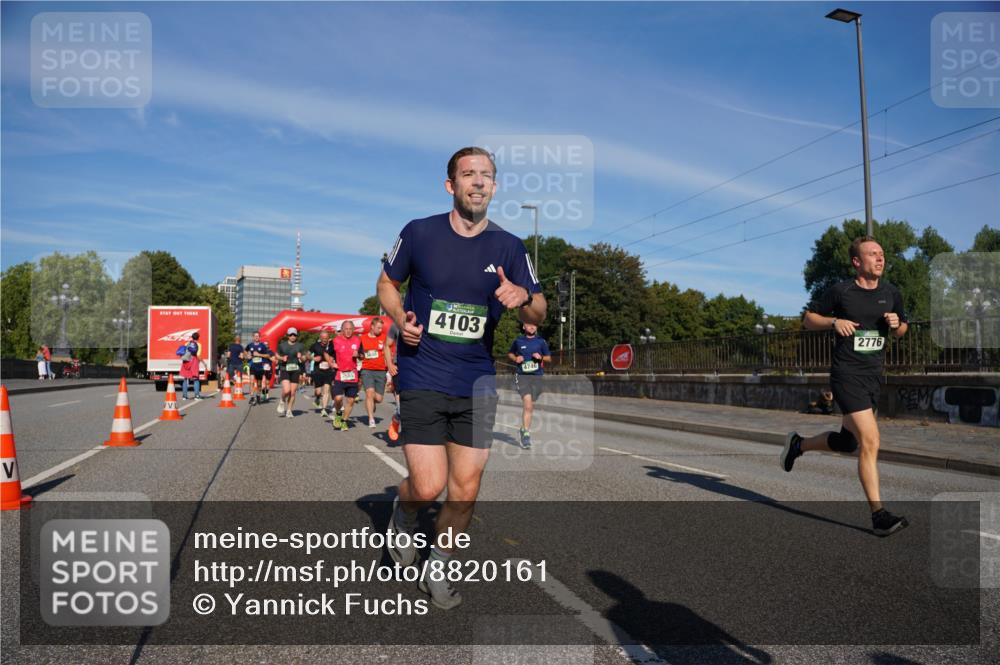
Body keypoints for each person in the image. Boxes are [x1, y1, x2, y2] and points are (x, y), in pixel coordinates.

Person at [377, 146, 546, 609]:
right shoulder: (419, 233)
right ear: (450, 185)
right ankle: (403, 513)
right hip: (422, 369)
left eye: (486, 175)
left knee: (466, 487)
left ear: (494, 186)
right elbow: (387, 283)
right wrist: (398, 317)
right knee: (428, 486)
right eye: (468, 174)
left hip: (476, 379)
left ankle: (441, 561)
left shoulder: (509, 246)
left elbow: (540, 308)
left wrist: (521, 297)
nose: (477, 181)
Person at [781, 235, 909, 537]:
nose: (880, 259)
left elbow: (903, 329)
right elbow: (808, 319)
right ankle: (879, 514)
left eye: (881, 254)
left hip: (872, 376)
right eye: (873, 254)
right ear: (857, 262)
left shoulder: (891, 293)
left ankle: (798, 444)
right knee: (871, 440)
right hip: (846, 375)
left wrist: (896, 324)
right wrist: (833, 322)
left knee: (847, 443)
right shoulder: (842, 291)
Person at [507, 322, 552, 449]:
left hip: (537, 376)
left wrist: (541, 357)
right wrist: (516, 358)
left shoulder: (541, 342)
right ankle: (526, 434)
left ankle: (523, 428)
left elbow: (549, 358)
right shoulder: (518, 341)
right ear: (523, 327)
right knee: (528, 406)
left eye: (534, 325)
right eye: (529, 325)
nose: (532, 327)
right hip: (522, 377)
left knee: (532, 402)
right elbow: (510, 353)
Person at [359, 317, 391, 428]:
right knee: (369, 393)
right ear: (372, 327)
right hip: (367, 370)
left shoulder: (384, 338)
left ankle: (371, 402)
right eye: (378, 327)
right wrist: (360, 355)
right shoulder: (362, 338)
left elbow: (388, 353)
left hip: (381, 370)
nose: (380, 330)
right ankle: (371, 419)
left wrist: (389, 366)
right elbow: (358, 353)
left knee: (378, 398)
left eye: (381, 328)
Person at [332, 320, 362, 431]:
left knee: (350, 401)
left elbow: (363, 355)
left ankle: (344, 421)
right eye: (346, 329)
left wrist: (358, 354)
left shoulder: (358, 340)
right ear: (342, 330)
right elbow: (328, 353)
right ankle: (338, 413)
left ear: (353, 330)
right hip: (340, 374)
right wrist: (331, 362)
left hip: (352, 374)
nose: (348, 331)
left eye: (350, 329)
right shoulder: (335, 341)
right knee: (338, 398)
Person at [276, 327, 305, 418]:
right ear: (288, 336)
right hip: (285, 369)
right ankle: (282, 400)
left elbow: (305, 358)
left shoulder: (300, 346)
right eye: (291, 335)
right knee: (287, 390)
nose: (293, 336)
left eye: (294, 335)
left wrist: (301, 357)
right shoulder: (282, 345)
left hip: (296, 370)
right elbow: (276, 354)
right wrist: (281, 358)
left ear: (296, 336)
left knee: (292, 393)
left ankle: (289, 410)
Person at [310, 331, 336, 417]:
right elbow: (307, 354)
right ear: (320, 338)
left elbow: (336, 354)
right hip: (318, 370)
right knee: (318, 392)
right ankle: (317, 398)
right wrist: (313, 358)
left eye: (326, 338)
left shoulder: (332, 345)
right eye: (323, 338)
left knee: (326, 390)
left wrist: (332, 359)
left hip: (328, 371)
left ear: (328, 337)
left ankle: (324, 409)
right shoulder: (315, 345)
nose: (325, 340)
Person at [245, 331, 273, 405]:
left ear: (259, 337)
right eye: (255, 336)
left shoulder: (263, 345)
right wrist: (247, 356)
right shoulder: (250, 345)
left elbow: (268, 356)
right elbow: (245, 351)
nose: (256, 337)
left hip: (260, 367)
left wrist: (259, 354)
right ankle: (252, 397)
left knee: (259, 384)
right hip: (252, 366)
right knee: (251, 382)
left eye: (258, 336)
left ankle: (258, 395)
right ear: (253, 337)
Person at [179, 331, 203, 400]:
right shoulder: (198, 344)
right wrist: (203, 363)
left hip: (186, 361)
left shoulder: (187, 343)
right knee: (196, 379)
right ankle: (196, 396)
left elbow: (184, 352)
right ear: (198, 338)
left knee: (185, 378)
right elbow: (198, 355)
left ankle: (184, 396)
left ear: (192, 337)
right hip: (194, 361)